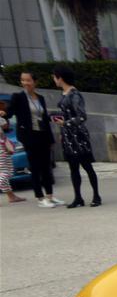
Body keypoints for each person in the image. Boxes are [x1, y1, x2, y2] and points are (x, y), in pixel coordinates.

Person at [6, 71, 60, 207]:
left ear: (35, 82)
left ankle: (50, 196)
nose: (25, 83)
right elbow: (10, 111)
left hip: (43, 135)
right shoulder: (18, 97)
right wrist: (4, 113)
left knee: (46, 167)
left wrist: (51, 137)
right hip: (29, 137)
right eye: (23, 80)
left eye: (28, 80)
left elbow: (45, 118)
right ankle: (40, 198)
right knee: (35, 167)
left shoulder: (40, 98)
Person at [52, 65, 102, 208]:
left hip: (78, 136)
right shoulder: (64, 94)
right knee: (73, 168)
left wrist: (65, 123)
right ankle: (78, 197)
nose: (54, 80)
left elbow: (81, 116)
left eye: (55, 77)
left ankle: (96, 195)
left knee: (87, 166)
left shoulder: (74, 94)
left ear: (60, 77)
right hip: (68, 136)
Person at [0, 108, 26, 203]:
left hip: (2, 146)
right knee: (7, 172)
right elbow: (5, 127)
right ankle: (11, 196)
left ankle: (11, 196)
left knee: (3, 171)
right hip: (1, 147)